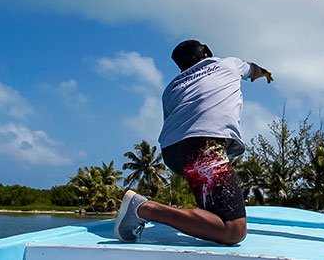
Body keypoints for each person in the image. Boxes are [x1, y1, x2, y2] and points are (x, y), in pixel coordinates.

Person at [115, 39, 273, 245]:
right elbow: (253, 69)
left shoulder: (171, 89)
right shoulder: (229, 64)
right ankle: (143, 208)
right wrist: (264, 73)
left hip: (173, 151)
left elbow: (175, 124)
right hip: (203, 147)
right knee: (233, 230)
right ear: (206, 51)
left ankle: (159, 212)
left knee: (215, 218)